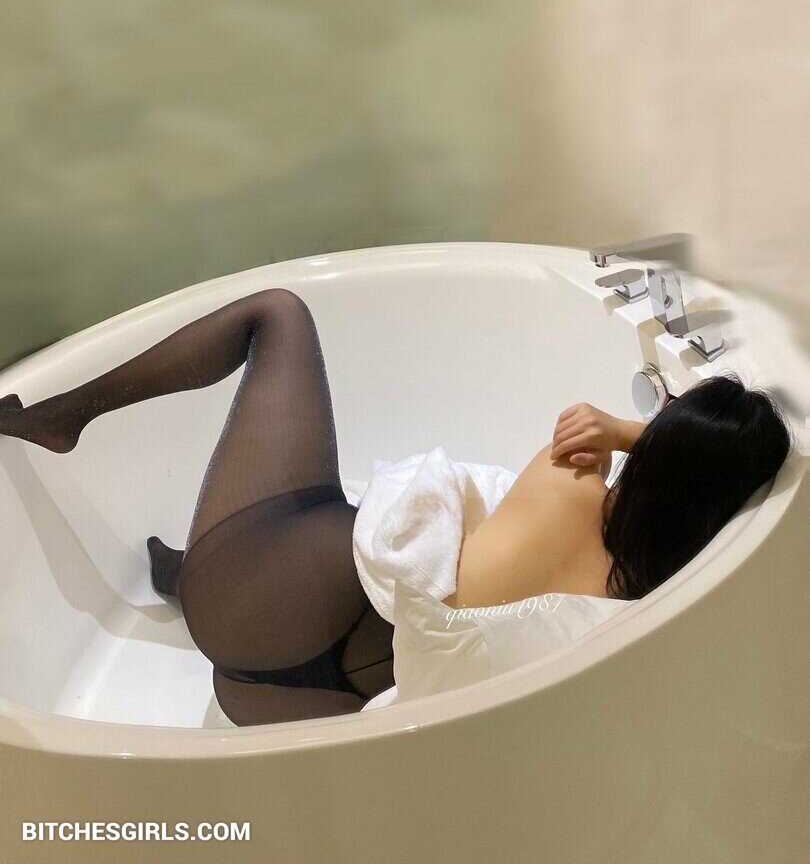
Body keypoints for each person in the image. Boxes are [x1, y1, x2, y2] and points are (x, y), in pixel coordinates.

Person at [0, 288, 791, 725]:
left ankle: (68, 418)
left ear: (658, 447)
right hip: (296, 706)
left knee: (277, 316)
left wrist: (623, 430)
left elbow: (631, 446)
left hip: (263, 598)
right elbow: (688, 484)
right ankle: (188, 572)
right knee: (350, 553)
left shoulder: (573, 473)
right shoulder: (644, 604)